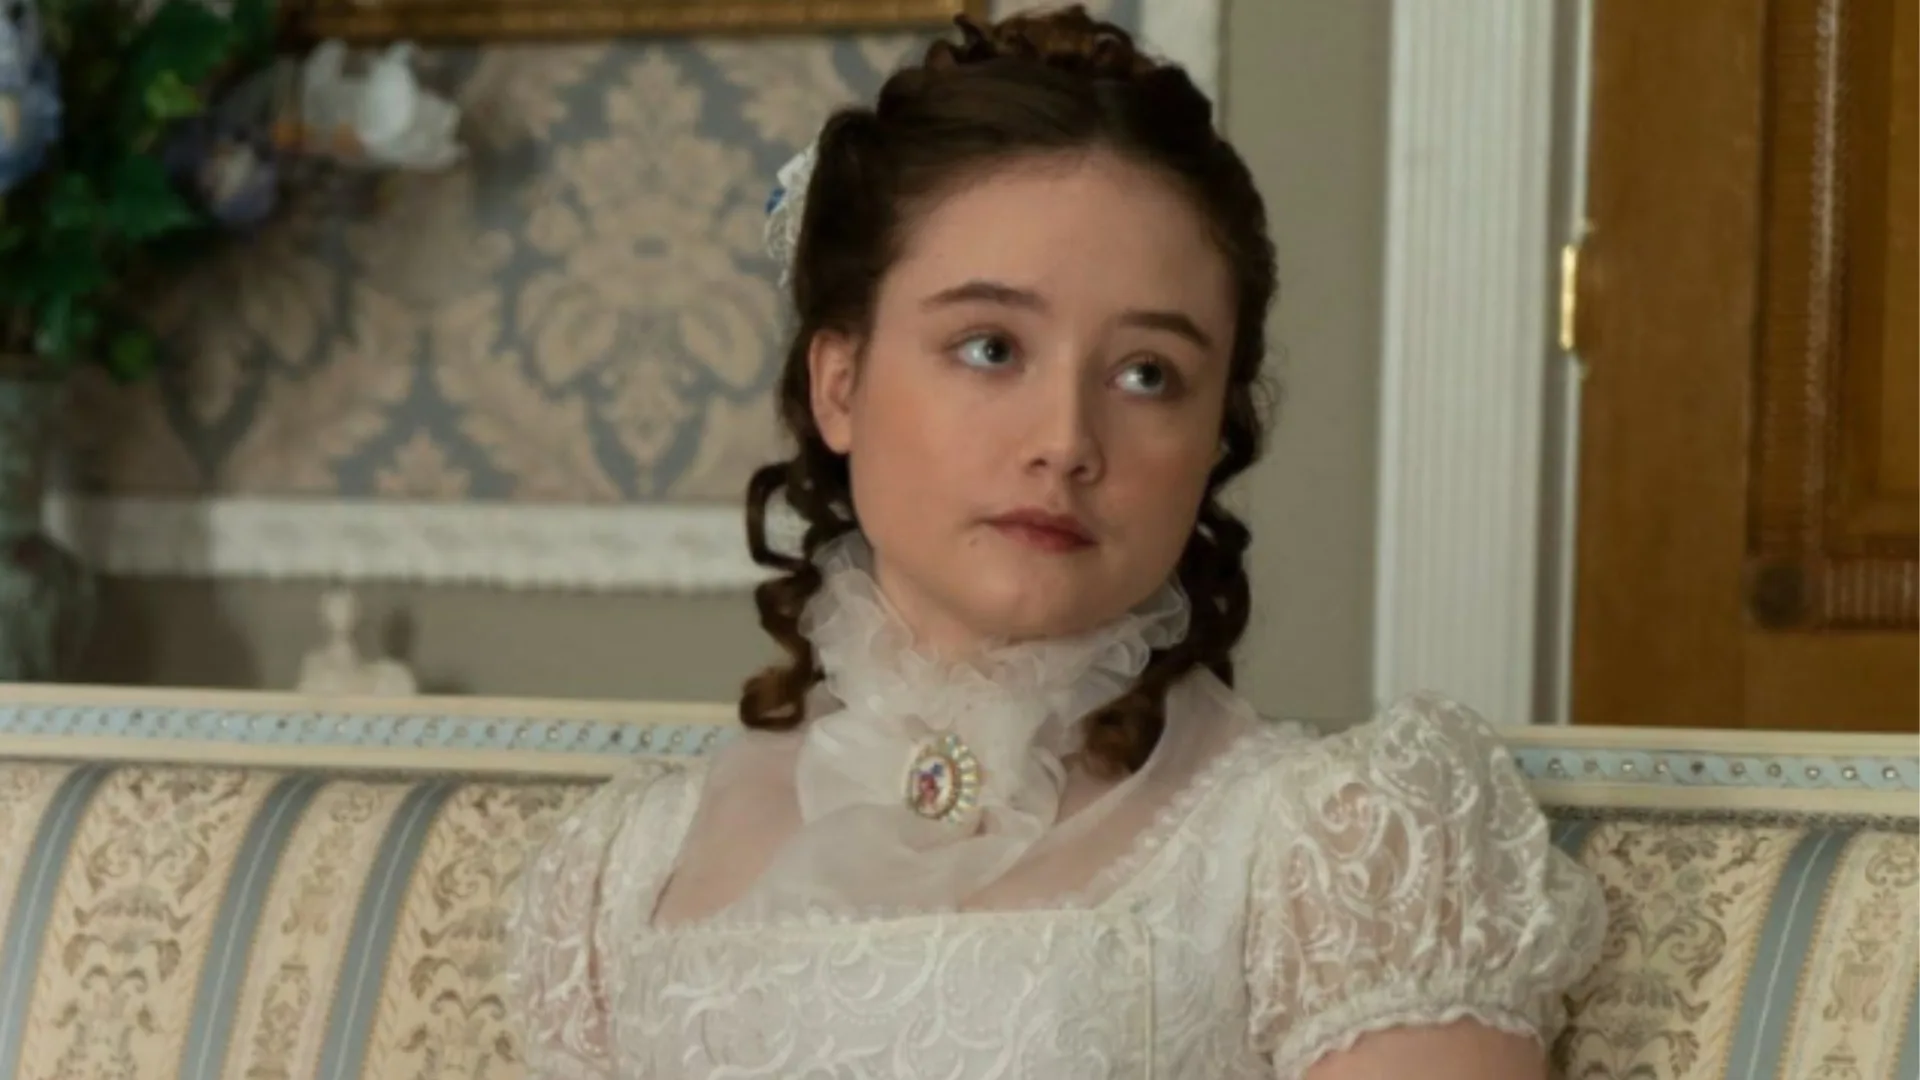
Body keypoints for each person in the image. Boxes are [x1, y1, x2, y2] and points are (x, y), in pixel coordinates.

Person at [506, 7, 1606, 1078]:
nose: (1066, 441)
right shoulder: (615, 876)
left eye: (1147, 375)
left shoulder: (1343, 850)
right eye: (989, 347)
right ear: (837, 383)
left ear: (1214, 428)